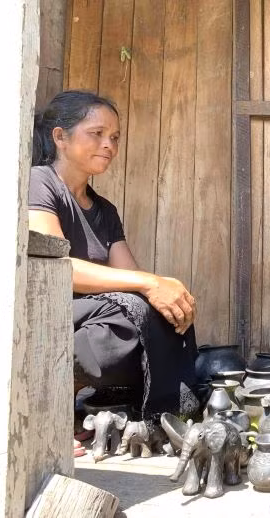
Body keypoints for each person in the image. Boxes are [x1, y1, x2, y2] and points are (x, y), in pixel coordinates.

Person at [28, 91, 201, 441]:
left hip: (96, 314)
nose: (109, 144)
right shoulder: (39, 182)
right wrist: (149, 283)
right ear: (60, 137)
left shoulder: (104, 210)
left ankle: (156, 415)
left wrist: (160, 290)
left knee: (158, 312)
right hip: (47, 314)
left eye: (115, 137)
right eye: (98, 133)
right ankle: (55, 406)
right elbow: (54, 266)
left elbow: (130, 277)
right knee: (133, 308)